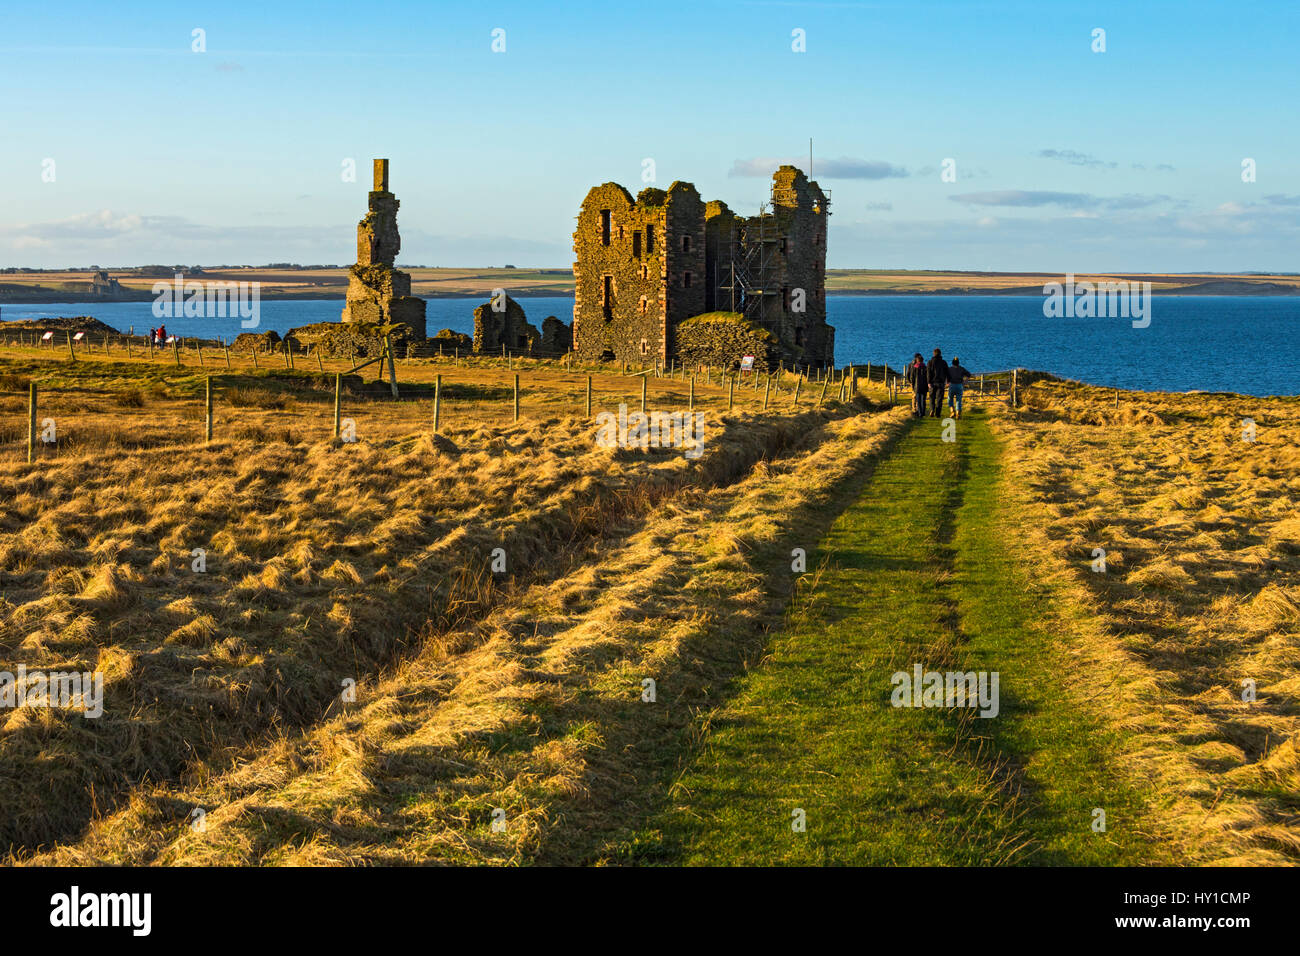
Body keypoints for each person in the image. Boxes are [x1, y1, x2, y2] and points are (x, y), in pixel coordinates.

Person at [926, 348, 949, 417]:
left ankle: (932, 409)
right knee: (939, 399)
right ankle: (938, 413)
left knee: (932, 398)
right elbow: (947, 372)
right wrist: (948, 381)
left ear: (933, 353)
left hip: (932, 383)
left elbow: (928, 373)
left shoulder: (930, 362)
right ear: (940, 354)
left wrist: (928, 382)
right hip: (941, 383)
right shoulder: (944, 362)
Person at [905, 353, 928, 417]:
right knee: (921, 399)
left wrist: (911, 382)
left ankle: (917, 411)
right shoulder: (924, 367)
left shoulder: (912, 365)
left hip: (916, 385)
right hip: (921, 385)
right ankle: (919, 411)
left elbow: (910, 375)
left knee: (916, 398)